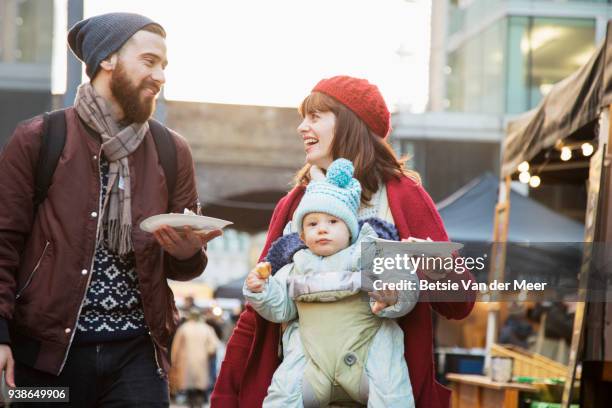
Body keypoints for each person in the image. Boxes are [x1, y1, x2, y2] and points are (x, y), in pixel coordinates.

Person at [212, 75, 476, 408]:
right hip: (301, 392)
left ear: (350, 123)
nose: (301, 127)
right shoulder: (293, 205)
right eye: (302, 117)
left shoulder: (404, 196)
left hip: (383, 391)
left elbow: (460, 301)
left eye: (315, 116)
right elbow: (257, 313)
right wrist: (224, 396)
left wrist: (430, 268)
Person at [0, 12, 221, 406]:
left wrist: (188, 254)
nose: (160, 76)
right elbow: (3, 243)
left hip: (137, 360)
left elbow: (184, 265)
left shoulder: (172, 151)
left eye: (164, 66)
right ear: (107, 59)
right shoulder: (38, 139)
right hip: (44, 361)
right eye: (149, 61)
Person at [244, 158, 418, 407]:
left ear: (350, 229)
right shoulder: (296, 265)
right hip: (312, 367)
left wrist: (393, 294)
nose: (322, 229)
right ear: (302, 235)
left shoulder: (372, 254)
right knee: (282, 395)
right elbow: (280, 308)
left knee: (391, 392)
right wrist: (260, 290)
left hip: (367, 361)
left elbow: (406, 283)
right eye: (313, 224)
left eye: (333, 222)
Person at [171, 309, 220, 408]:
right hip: (202, 362)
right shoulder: (206, 328)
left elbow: (176, 346)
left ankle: (192, 403)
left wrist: (174, 360)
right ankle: (198, 403)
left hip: (185, 362)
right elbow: (214, 345)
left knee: (189, 387)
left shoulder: (184, 328)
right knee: (199, 386)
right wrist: (208, 353)